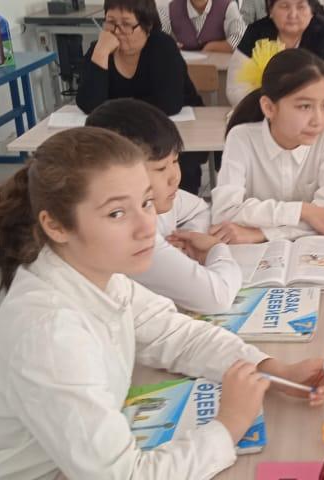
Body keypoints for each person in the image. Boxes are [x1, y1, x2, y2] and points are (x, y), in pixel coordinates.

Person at [0, 128, 324, 478]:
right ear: (55, 225)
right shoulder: (51, 333)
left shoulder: (96, 274)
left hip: (65, 461)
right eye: (116, 213)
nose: (146, 227)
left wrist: (271, 369)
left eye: (146, 202)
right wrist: (228, 427)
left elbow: (176, 335)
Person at [86, 98, 243, 314]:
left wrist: (186, 241)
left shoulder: (159, 202)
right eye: (160, 168)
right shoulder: (134, 234)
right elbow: (217, 298)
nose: (174, 177)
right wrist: (217, 249)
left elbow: (199, 208)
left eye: (176, 161)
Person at [212, 49, 324, 244]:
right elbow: (225, 211)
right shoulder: (241, 138)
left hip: (310, 249)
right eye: (305, 106)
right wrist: (304, 210)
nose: (318, 120)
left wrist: (262, 234)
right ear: (269, 108)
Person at [76, 0, 211, 196]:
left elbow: (169, 104)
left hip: (175, 134)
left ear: (147, 25)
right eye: (110, 22)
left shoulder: (162, 46)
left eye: (127, 24)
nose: (117, 31)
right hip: (121, 139)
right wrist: (101, 53)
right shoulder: (100, 50)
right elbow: (89, 104)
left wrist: (115, 111)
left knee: (172, 173)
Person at [225, 0, 324, 151]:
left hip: (321, 129)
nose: (293, 14)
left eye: (301, 7)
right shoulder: (255, 33)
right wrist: (274, 112)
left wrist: (299, 110)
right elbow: (236, 88)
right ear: (271, 10)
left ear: (311, 11)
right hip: (265, 121)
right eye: (284, 6)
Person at [159, 0, 246, 52]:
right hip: (182, 70)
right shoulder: (169, 8)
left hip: (220, 71)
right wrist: (169, 45)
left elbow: (241, 38)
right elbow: (158, 38)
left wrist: (212, 47)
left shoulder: (228, 6)